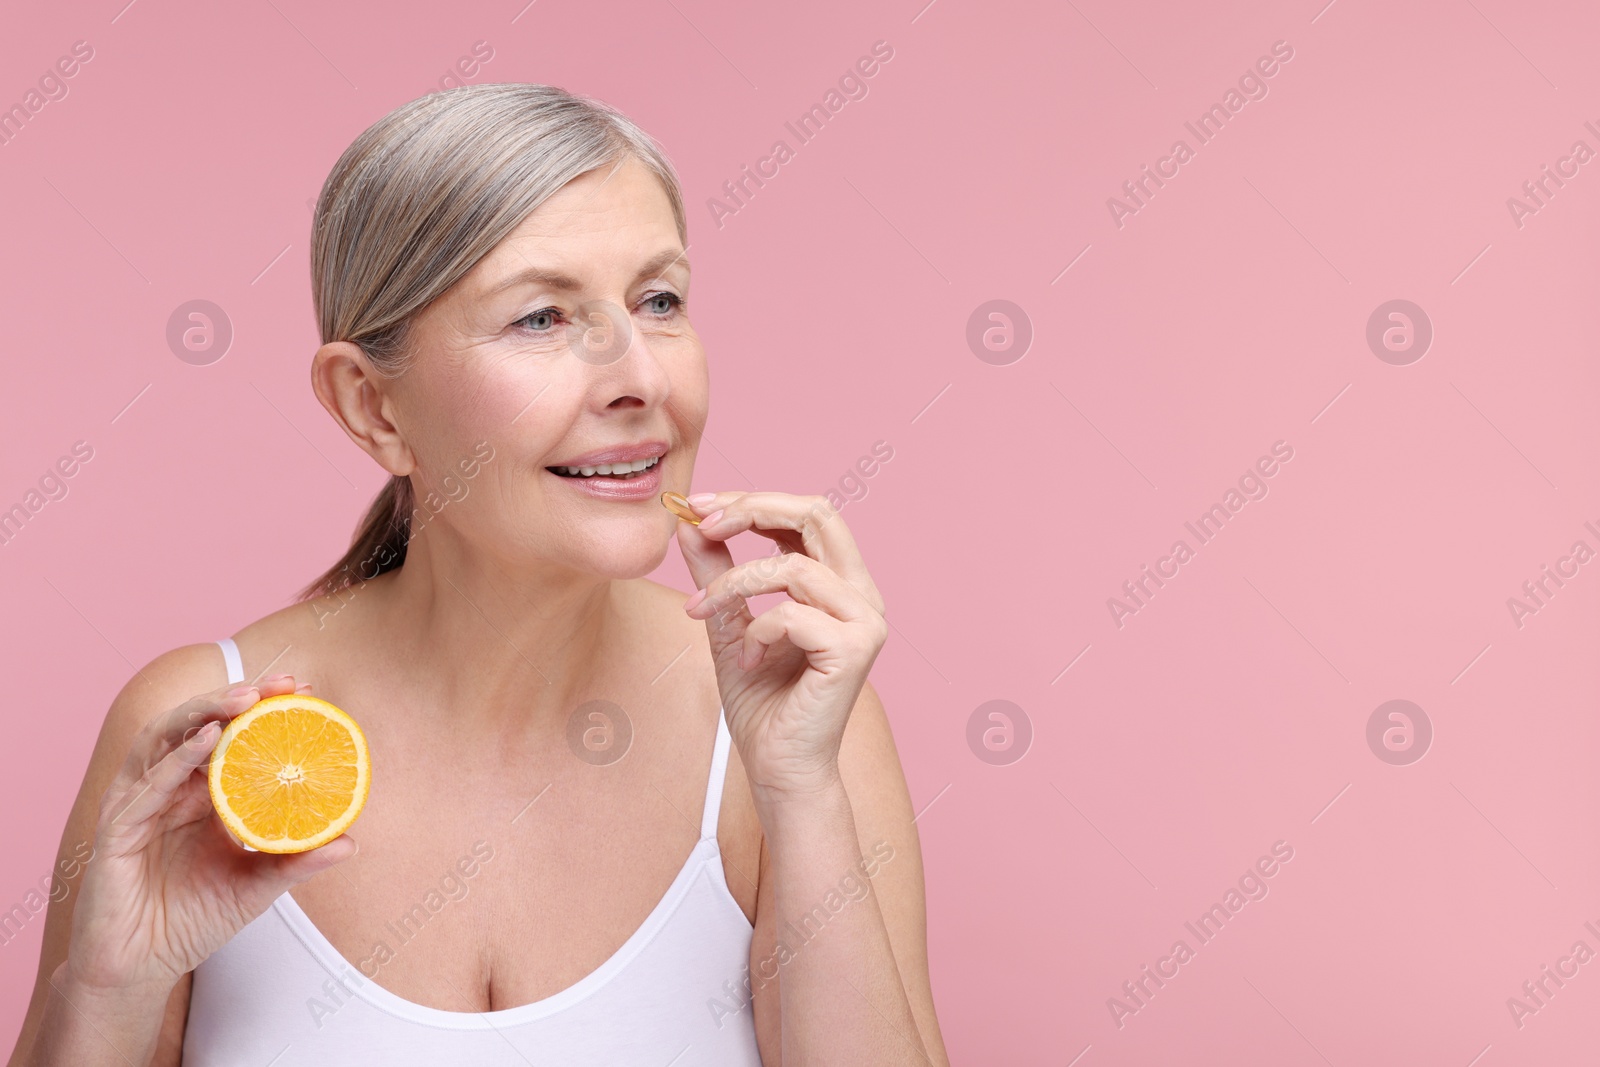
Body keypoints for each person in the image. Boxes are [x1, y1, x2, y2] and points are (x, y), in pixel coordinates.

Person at [8, 82, 948, 1065]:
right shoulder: (209, 739)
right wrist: (111, 989)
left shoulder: (788, 715)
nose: (642, 377)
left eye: (658, 300)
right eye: (541, 317)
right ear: (373, 408)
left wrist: (798, 790)